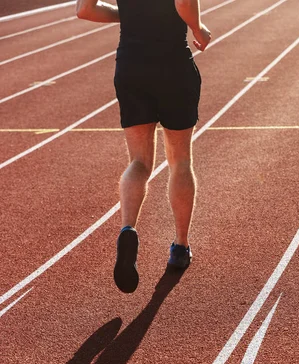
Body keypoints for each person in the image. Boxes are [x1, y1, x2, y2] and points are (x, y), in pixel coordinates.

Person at [76, 0, 211, 293]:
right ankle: (180, 247)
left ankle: (127, 228)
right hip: (173, 64)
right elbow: (184, 2)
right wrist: (199, 29)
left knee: (138, 161)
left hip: (131, 65)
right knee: (179, 160)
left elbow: (84, 10)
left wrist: (128, 14)